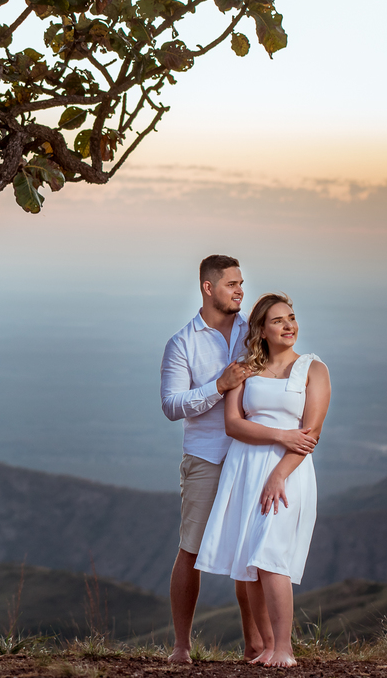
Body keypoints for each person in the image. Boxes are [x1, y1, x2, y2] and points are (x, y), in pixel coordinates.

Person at [160, 258, 317, 665]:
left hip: (255, 460)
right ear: (208, 287)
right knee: (191, 549)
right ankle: (181, 646)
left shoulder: (254, 329)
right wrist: (218, 386)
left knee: (250, 552)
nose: (240, 290)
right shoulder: (182, 343)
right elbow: (171, 405)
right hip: (208, 457)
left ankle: (258, 644)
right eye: (231, 284)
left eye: (241, 283)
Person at [195, 293, 332, 668]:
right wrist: (279, 435)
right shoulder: (244, 368)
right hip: (245, 469)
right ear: (261, 329)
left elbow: (310, 434)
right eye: (278, 320)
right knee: (249, 564)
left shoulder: (313, 369)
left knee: (271, 557)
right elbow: (233, 424)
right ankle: (268, 647)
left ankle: (285, 649)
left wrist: (278, 474)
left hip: (288, 471)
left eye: (291, 317)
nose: (289, 325)